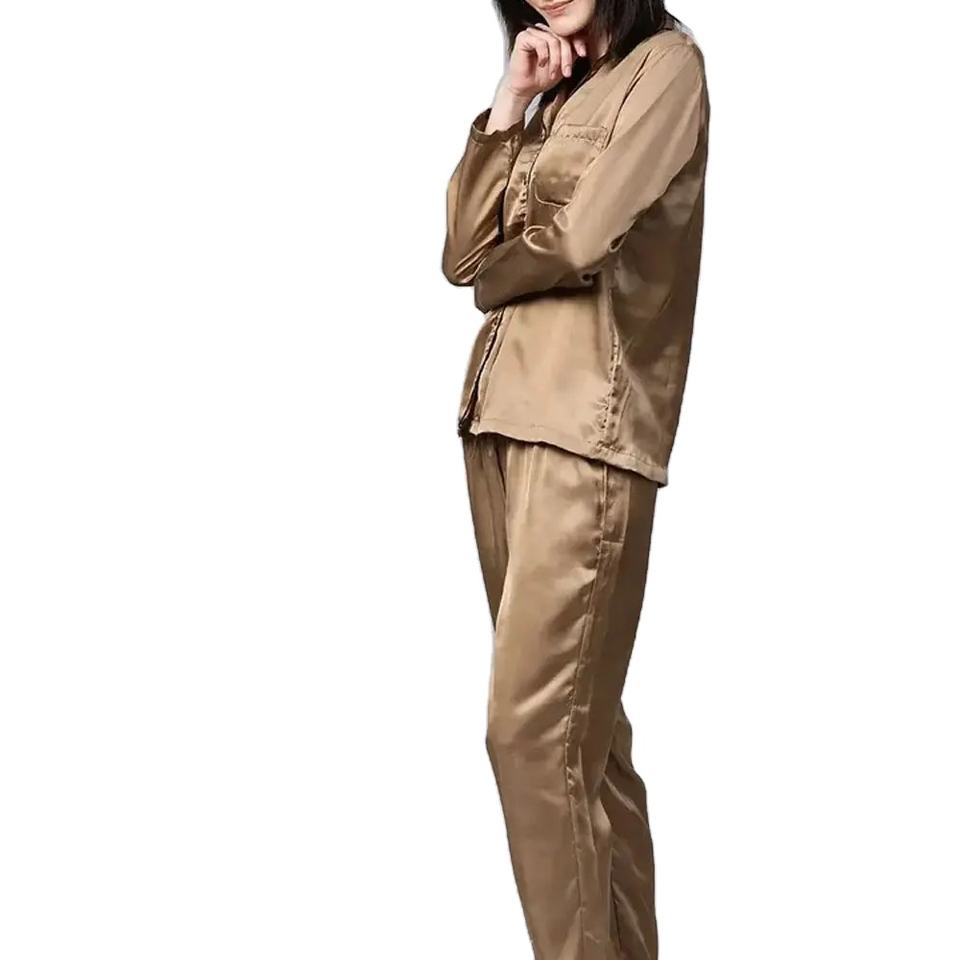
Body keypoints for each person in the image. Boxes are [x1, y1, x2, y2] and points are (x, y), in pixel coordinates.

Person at [441, 2, 709, 958]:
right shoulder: (555, 89)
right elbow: (460, 252)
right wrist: (511, 102)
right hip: (498, 422)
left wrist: (497, 273)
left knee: (528, 736)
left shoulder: (665, 68)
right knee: (584, 748)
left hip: (585, 435)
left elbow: (580, 239)